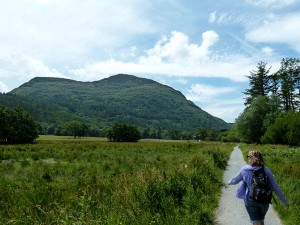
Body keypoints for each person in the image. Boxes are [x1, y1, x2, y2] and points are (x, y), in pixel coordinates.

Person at [227, 149, 289, 225]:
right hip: (264, 200)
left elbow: (234, 181)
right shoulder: (266, 171)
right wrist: (285, 202)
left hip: (250, 200)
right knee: (261, 220)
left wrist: (227, 183)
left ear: (250, 158)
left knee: (256, 222)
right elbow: (275, 187)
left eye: (248, 156)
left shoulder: (244, 170)